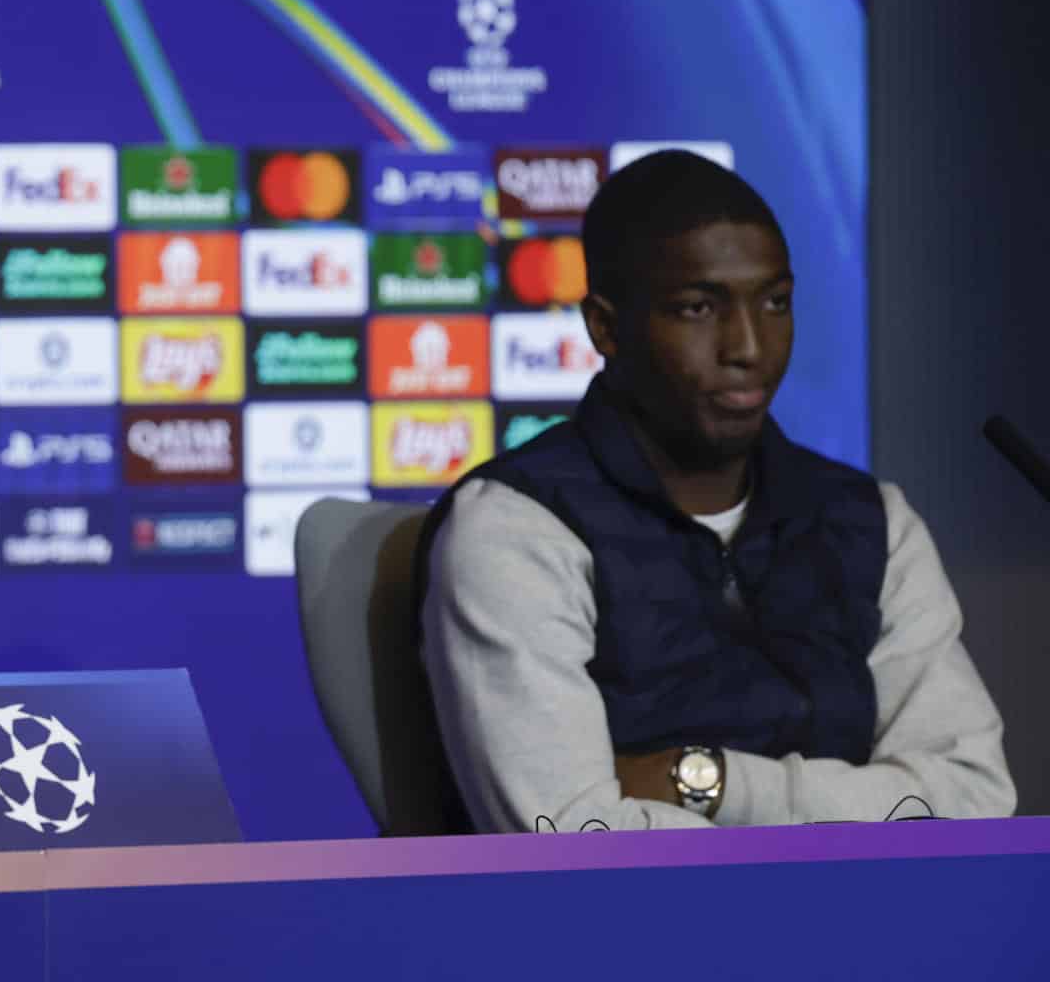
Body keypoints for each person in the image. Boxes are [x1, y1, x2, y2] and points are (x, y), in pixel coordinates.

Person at [421, 150, 1014, 831]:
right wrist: (861, 805)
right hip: (622, 936)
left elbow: (974, 801)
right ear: (605, 327)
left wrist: (705, 781)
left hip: (866, 923)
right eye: (699, 307)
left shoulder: (872, 521)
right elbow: (573, 838)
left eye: (775, 303)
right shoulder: (516, 530)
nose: (749, 346)